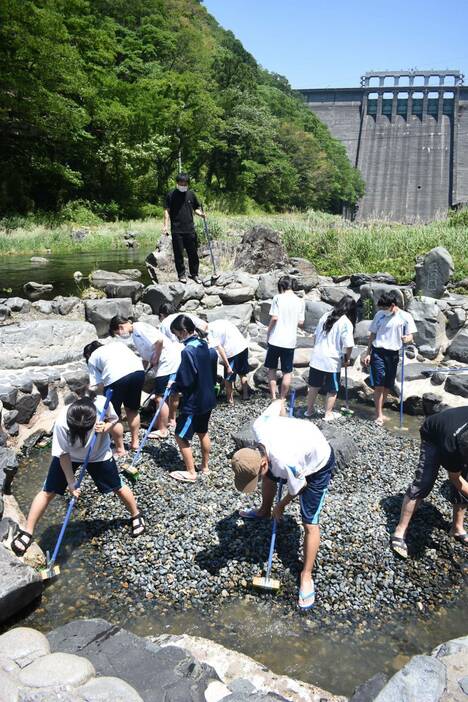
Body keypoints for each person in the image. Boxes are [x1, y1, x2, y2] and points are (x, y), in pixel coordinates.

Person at [231, 400, 334, 610]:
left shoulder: (285, 460)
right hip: (297, 442)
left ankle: (306, 575)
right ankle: (263, 511)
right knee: (270, 476)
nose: (256, 481)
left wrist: (282, 506)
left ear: (262, 461)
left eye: (255, 477)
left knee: (310, 524)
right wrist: (286, 419)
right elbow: (278, 402)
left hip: (316, 462)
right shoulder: (258, 427)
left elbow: (299, 487)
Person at [11, 395, 145, 557]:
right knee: (48, 490)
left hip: (98, 455)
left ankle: (136, 514)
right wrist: (71, 482)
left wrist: (106, 427)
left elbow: (114, 420)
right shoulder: (62, 423)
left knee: (117, 486)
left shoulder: (103, 404)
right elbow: (63, 454)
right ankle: (28, 532)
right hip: (70, 456)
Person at [391, 406, 468, 558]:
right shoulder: (452, 447)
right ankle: (400, 531)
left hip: (454, 428)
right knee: (424, 483)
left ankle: (457, 528)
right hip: (432, 433)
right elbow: (455, 479)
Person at [109, 316, 182, 439]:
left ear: (120, 327)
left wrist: (156, 357)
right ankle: (168, 422)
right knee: (164, 395)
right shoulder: (135, 333)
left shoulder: (139, 327)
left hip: (166, 361)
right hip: (163, 362)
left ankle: (163, 430)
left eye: (118, 333)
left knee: (160, 397)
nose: (120, 335)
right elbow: (145, 355)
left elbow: (159, 341)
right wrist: (142, 369)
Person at [168, 315, 217, 482]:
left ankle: (191, 472)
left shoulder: (188, 350)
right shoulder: (203, 344)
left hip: (194, 401)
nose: (176, 337)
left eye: (176, 334)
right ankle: (205, 467)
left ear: (183, 331)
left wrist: (174, 386)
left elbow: (187, 379)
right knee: (203, 431)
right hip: (208, 396)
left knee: (180, 435)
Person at [363, 291, 417, 425]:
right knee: (379, 385)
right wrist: (368, 353)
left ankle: (380, 411)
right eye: (381, 308)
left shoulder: (405, 317)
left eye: (385, 308)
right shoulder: (380, 315)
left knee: (387, 385)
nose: (382, 310)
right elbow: (372, 335)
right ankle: (378, 415)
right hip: (378, 352)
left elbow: (411, 336)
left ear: (393, 305)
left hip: (393, 354)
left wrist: (407, 338)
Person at [84, 341, 145, 452]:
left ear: (88, 355)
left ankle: (120, 449)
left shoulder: (92, 358)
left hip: (116, 378)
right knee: (132, 409)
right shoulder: (117, 344)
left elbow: (95, 385)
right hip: (138, 372)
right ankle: (135, 443)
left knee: (113, 415)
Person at [306, 296, 356, 421]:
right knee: (332, 388)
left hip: (317, 356)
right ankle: (328, 414)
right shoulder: (346, 322)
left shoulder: (325, 316)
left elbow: (315, 336)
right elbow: (349, 345)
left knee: (314, 385)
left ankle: (309, 410)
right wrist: (347, 359)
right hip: (332, 360)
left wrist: (316, 350)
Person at [265, 276, 305, 401]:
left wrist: (268, 330)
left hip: (275, 340)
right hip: (290, 342)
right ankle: (282, 398)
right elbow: (301, 322)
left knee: (272, 368)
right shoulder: (300, 301)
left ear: (281, 286)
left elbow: (274, 318)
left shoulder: (277, 298)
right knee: (287, 371)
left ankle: (273, 396)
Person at [163, 173, 206, 284]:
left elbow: (196, 208)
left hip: (190, 229)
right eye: (181, 182)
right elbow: (167, 210)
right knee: (179, 254)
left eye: (185, 182)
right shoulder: (171, 194)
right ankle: (181, 275)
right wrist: (165, 226)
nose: (183, 184)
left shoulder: (191, 194)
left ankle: (195, 274)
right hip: (177, 229)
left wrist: (201, 214)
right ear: (177, 183)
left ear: (188, 183)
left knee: (193, 253)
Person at [208, 319, 250, 404]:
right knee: (242, 373)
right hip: (243, 346)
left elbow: (220, 348)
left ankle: (230, 399)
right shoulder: (221, 322)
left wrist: (227, 366)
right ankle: (246, 396)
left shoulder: (210, 331)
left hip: (232, 351)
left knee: (229, 378)